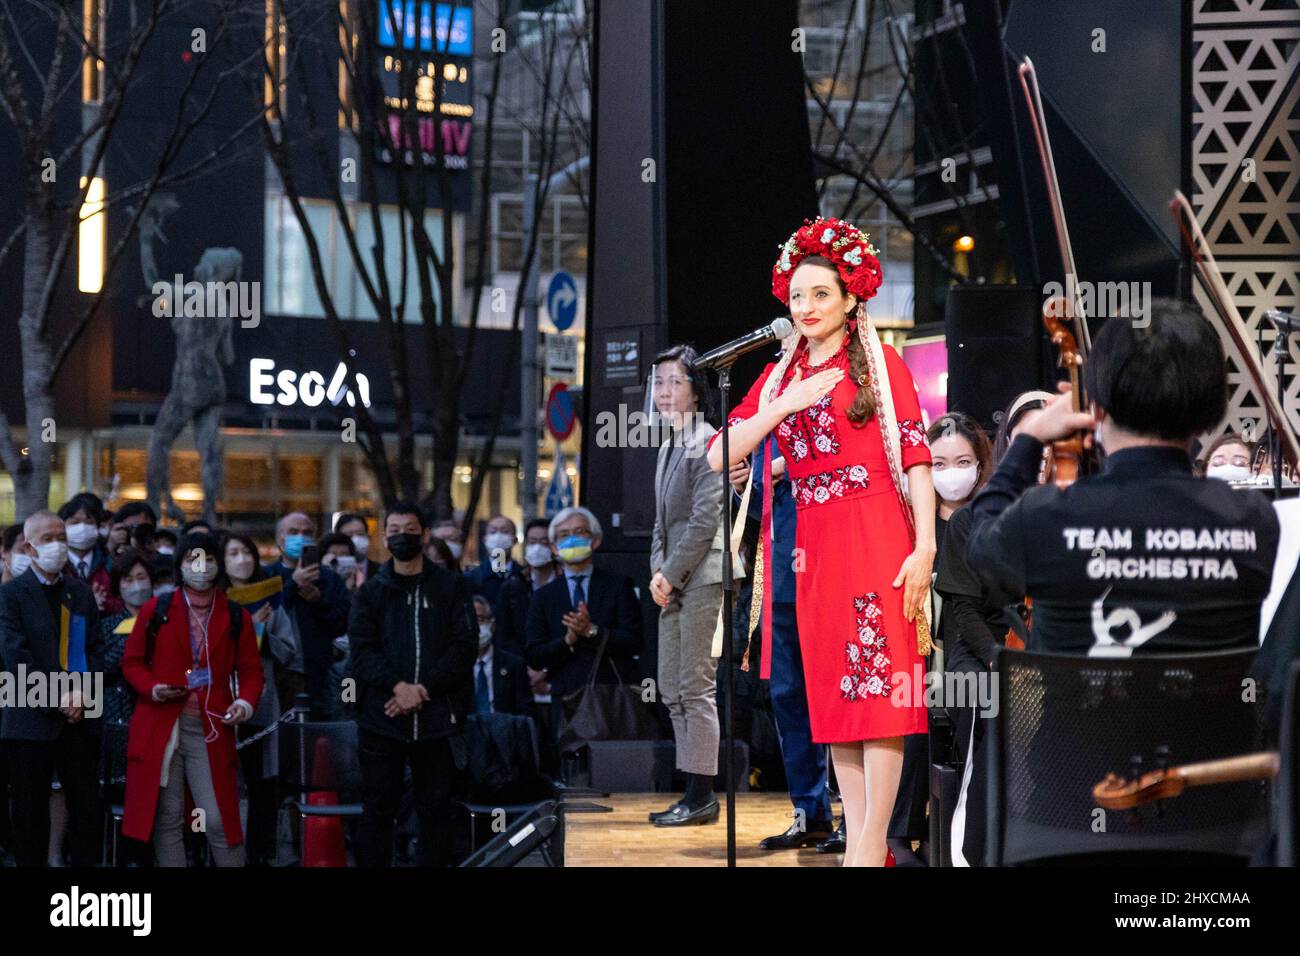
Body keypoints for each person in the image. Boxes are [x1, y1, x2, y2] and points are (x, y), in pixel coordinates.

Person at [706, 218, 935, 868]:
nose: (805, 309)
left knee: (880, 697)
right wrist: (779, 409)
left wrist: (925, 548)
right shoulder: (780, 378)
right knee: (837, 704)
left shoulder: (881, 366)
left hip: (879, 535)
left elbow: (916, 460)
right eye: (797, 296)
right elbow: (717, 454)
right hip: (816, 545)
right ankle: (865, 848)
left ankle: (868, 850)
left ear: (850, 298)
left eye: (820, 296)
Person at [965, 298, 1278, 656]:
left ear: (1095, 407)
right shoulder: (1254, 519)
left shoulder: (1046, 515)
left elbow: (981, 547)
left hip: (1076, 713)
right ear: (1209, 411)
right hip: (1214, 714)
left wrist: (1029, 438)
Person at [120, 531, 263, 866]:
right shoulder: (158, 608)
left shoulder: (236, 616)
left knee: (218, 818)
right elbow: (132, 662)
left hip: (211, 725)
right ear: (179, 565)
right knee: (167, 818)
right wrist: (152, 687)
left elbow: (252, 672)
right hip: (160, 724)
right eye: (191, 559)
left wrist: (244, 703)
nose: (200, 566)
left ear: (218, 565)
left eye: (209, 559)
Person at [349, 501, 478, 866]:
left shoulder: (452, 586)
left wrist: (422, 690)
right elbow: (362, 652)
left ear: (424, 535)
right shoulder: (371, 592)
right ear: (384, 537)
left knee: (435, 812)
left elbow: (464, 646)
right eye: (394, 530)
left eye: (409, 529)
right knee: (377, 809)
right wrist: (397, 687)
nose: (401, 536)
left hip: (438, 718)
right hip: (381, 719)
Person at [935, 402, 1034, 867]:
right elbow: (965, 612)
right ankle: (972, 851)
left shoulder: (1061, 512)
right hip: (983, 648)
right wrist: (1000, 660)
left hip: (1045, 644)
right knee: (982, 696)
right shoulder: (968, 521)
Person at [646, 344, 726, 827]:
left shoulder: (708, 439)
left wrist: (670, 574)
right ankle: (691, 793)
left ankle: (702, 796)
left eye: (676, 381)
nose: (665, 392)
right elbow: (660, 525)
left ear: (697, 391)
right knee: (673, 687)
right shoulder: (668, 444)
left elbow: (704, 520)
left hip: (702, 574)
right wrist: (659, 573)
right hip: (673, 579)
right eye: (659, 382)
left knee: (695, 687)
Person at [0, 510, 103, 867]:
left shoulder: (80, 593)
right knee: (30, 816)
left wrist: (82, 697)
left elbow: (94, 650)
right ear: (29, 548)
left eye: (61, 536)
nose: (58, 544)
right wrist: (59, 697)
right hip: (30, 720)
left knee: (86, 810)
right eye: (48, 539)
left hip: (78, 721)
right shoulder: (11, 595)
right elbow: (16, 656)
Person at [221, 532, 298, 864]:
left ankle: (261, 854)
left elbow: (290, 650)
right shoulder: (210, 598)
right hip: (220, 701)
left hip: (262, 702)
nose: (242, 559)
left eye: (248, 552)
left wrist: (264, 635)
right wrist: (248, 627)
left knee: (263, 784)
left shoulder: (271, 598)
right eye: (234, 553)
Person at [525, 507, 644, 700]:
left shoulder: (618, 586)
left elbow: (635, 642)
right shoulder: (544, 596)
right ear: (554, 548)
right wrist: (567, 641)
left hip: (613, 696)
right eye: (564, 535)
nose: (572, 539)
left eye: (580, 532)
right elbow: (534, 656)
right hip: (566, 699)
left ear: (595, 540)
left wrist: (591, 631)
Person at [268, 512, 351, 717]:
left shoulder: (330, 579)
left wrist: (318, 601)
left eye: (306, 532)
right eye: (293, 532)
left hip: (320, 673)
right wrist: (291, 585)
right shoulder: (267, 576)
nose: (300, 536)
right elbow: (265, 617)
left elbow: (341, 625)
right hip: (279, 674)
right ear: (280, 540)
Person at [100, 547, 157, 791]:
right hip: (115, 719)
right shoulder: (107, 626)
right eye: (128, 579)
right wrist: (132, 634)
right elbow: (102, 667)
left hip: (154, 716)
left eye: (141, 577)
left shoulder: (165, 621)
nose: (136, 585)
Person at [470, 595, 533, 717]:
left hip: (504, 731)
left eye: (480, 619)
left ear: (492, 625)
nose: (476, 627)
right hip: (469, 733)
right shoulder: (456, 667)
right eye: (471, 620)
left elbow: (525, 712)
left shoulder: (514, 665)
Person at [59, 492, 120, 615]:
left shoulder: (112, 564)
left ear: (98, 527)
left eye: (89, 522)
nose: (82, 528)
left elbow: (124, 603)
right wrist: (84, 604)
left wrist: (104, 603)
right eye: (74, 522)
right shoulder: (55, 565)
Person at [466, 515, 524, 612]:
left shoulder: (525, 576)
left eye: (505, 531)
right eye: (493, 531)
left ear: (514, 540)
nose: (498, 536)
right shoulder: (472, 577)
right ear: (485, 540)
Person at [334, 512, 377, 586]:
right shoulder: (331, 572)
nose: (356, 539)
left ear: (368, 537)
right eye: (349, 535)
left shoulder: (382, 572)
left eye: (360, 534)